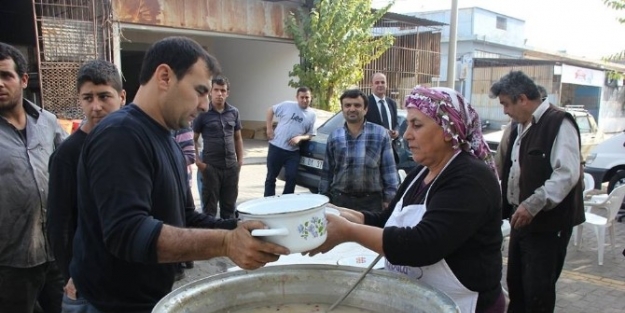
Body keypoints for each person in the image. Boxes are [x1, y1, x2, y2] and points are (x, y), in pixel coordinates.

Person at [69, 36, 289, 312]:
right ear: (164, 77)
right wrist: (226, 243)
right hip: (108, 305)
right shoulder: (121, 135)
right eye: (199, 91)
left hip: (148, 299)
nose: (205, 105)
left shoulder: (167, 140)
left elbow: (184, 217)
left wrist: (247, 230)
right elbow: (127, 232)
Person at [308, 86, 505, 313]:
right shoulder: (421, 172)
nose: (406, 134)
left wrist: (348, 232)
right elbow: (387, 220)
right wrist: (344, 214)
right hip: (420, 300)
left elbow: (423, 245)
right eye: (408, 124)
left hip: (465, 305)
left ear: (448, 129)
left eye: (417, 125)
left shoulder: (470, 178)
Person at [490, 71, 585, 313]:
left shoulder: (559, 123)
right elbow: (508, 167)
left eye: (506, 104)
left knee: (538, 293)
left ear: (522, 99)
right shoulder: (520, 126)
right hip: (521, 222)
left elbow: (567, 174)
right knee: (517, 287)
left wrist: (534, 203)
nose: (505, 111)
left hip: (547, 226)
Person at [46, 59, 126, 308]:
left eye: (104, 96)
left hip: (130, 275)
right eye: (87, 98)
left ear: (122, 96)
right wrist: (71, 274)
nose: (96, 107)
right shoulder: (67, 155)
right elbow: (59, 224)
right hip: (87, 282)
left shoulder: (131, 144)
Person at [0, 42, 66, 313]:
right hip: (10, 261)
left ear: (23, 79)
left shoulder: (47, 122)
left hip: (55, 254)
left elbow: (68, 169)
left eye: (6, 76)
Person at [319, 89, 398, 212]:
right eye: (347, 105)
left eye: (357, 105)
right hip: (340, 202)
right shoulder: (334, 137)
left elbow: (389, 171)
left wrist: (389, 200)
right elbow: (327, 173)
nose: (352, 109)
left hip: (372, 204)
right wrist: (323, 198)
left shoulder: (380, 134)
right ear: (343, 109)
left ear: (365, 109)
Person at [193, 76, 243, 219]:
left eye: (223, 90)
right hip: (210, 168)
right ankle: (210, 240)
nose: (219, 94)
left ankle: (229, 239)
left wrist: (239, 162)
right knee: (209, 210)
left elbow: (238, 138)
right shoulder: (202, 113)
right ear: (210, 92)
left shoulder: (234, 112)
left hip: (230, 168)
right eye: (216, 90)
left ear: (227, 93)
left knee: (229, 209)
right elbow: (193, 139)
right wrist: (199, 163)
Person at [264, 87, 316, 197]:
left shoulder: (312, 114)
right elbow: (270, 110)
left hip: (293, 152)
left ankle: (286, 202)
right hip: (276, 147)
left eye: (307, 97)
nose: (304, 100)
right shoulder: (287, 105)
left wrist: (300, 138)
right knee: (271, 177)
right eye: (302, 97)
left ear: (311, 98)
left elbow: (310, 134)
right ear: (297, 98)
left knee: (291, 178)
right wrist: (269, 128)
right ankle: (268, 203)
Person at [494, 85, 549, 177]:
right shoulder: (512, 128)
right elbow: (498, 166)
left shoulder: (557, 126)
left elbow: (569, 175)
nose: (505, 111)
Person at [365, 72, 400, 162]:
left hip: (391, 152)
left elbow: (396, 123)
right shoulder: (365, 103)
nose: (380, 85)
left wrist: (396, 132)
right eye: (377, 83)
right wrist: (383, 132)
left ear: (386, 84)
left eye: (382, 82)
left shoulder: (392, 103)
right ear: (371, 85)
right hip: (372, 153)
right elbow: (363, 125)